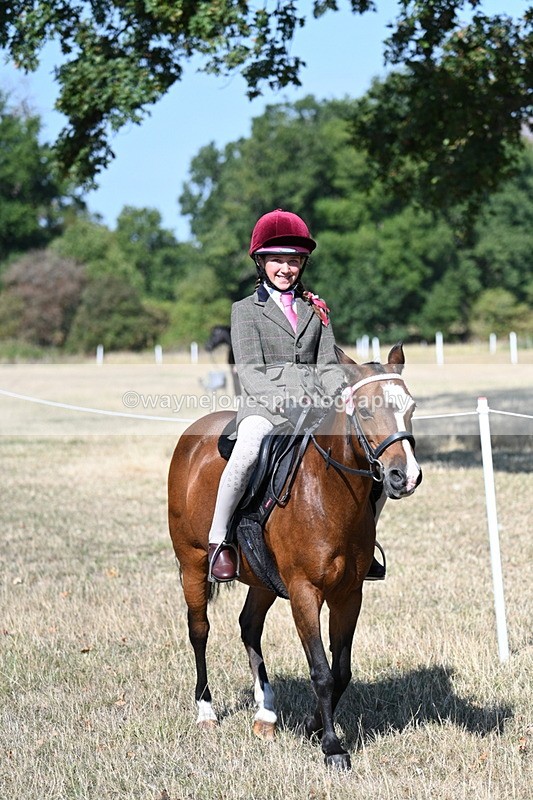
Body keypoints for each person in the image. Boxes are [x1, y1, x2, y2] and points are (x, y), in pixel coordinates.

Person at [207, 208, 385, 583]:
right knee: (247, 451)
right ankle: (219, 540)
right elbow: (250, 372)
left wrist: (342, 394)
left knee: (373, 458)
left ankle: (363, 541)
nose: (286, 268)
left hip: (316, 406)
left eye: (294, 261)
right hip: (265, 407)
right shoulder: (245, 311)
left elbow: (328, 365)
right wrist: (284, 400)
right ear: (261, 262)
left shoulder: (315, 309)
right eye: (277, 260)